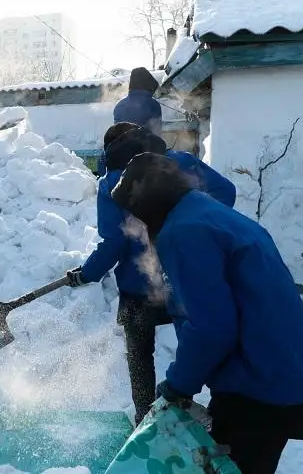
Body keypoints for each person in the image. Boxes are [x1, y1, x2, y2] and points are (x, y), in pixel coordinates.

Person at [110, 152, 303, 474]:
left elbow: (211, 327)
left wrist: (178, 385)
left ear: (148, 203)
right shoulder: (210, 214)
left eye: (136, 213)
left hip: (258, 386)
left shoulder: (183, 231)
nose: (137, 224)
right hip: (287, 369)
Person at [64, 123, 236, 425]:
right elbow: (226, 192)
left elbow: (115, 241)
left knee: (140, 354)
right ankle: (184, 407)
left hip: (137, 285)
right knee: (193, 338)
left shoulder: (111, 183)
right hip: (184, 275)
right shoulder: (180, 161)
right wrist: (198, 232)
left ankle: (145, 416)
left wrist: (88, 273)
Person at [96, 67, 162, 176]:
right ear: (148, 86)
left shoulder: (119, 105)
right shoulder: (153, 105)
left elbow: (114, 134)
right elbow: (156, 135)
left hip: (118, 158)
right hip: (145, 160)